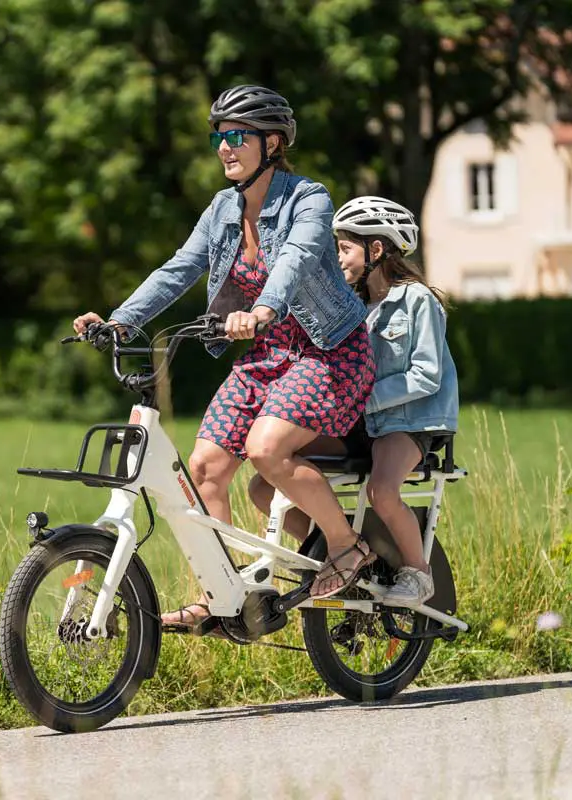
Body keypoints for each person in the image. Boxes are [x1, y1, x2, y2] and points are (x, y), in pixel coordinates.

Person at [72, 84, 377, 634]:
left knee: (265, 448)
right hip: (266, 356)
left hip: (329, 354)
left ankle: (347, 546)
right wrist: (121, 320)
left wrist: (261, 309)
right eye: (219, 137)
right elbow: (178, 268)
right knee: (205, 469)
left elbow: (297, 258)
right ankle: (223, 593)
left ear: (274, 142)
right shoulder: (222, 210)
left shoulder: (309, 198)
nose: (224, 147)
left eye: (237, 136)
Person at [247, 195, 460, 606]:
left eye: (344, 248)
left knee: (383, 490)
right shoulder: (354, 309)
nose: (337, 257)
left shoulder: (417, 300)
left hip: (409, 424)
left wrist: (362, 399)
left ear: (376, 250)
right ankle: (333, 550)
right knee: (262, 484)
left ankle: (418, 572)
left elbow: (426, 374)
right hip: (362, 426)